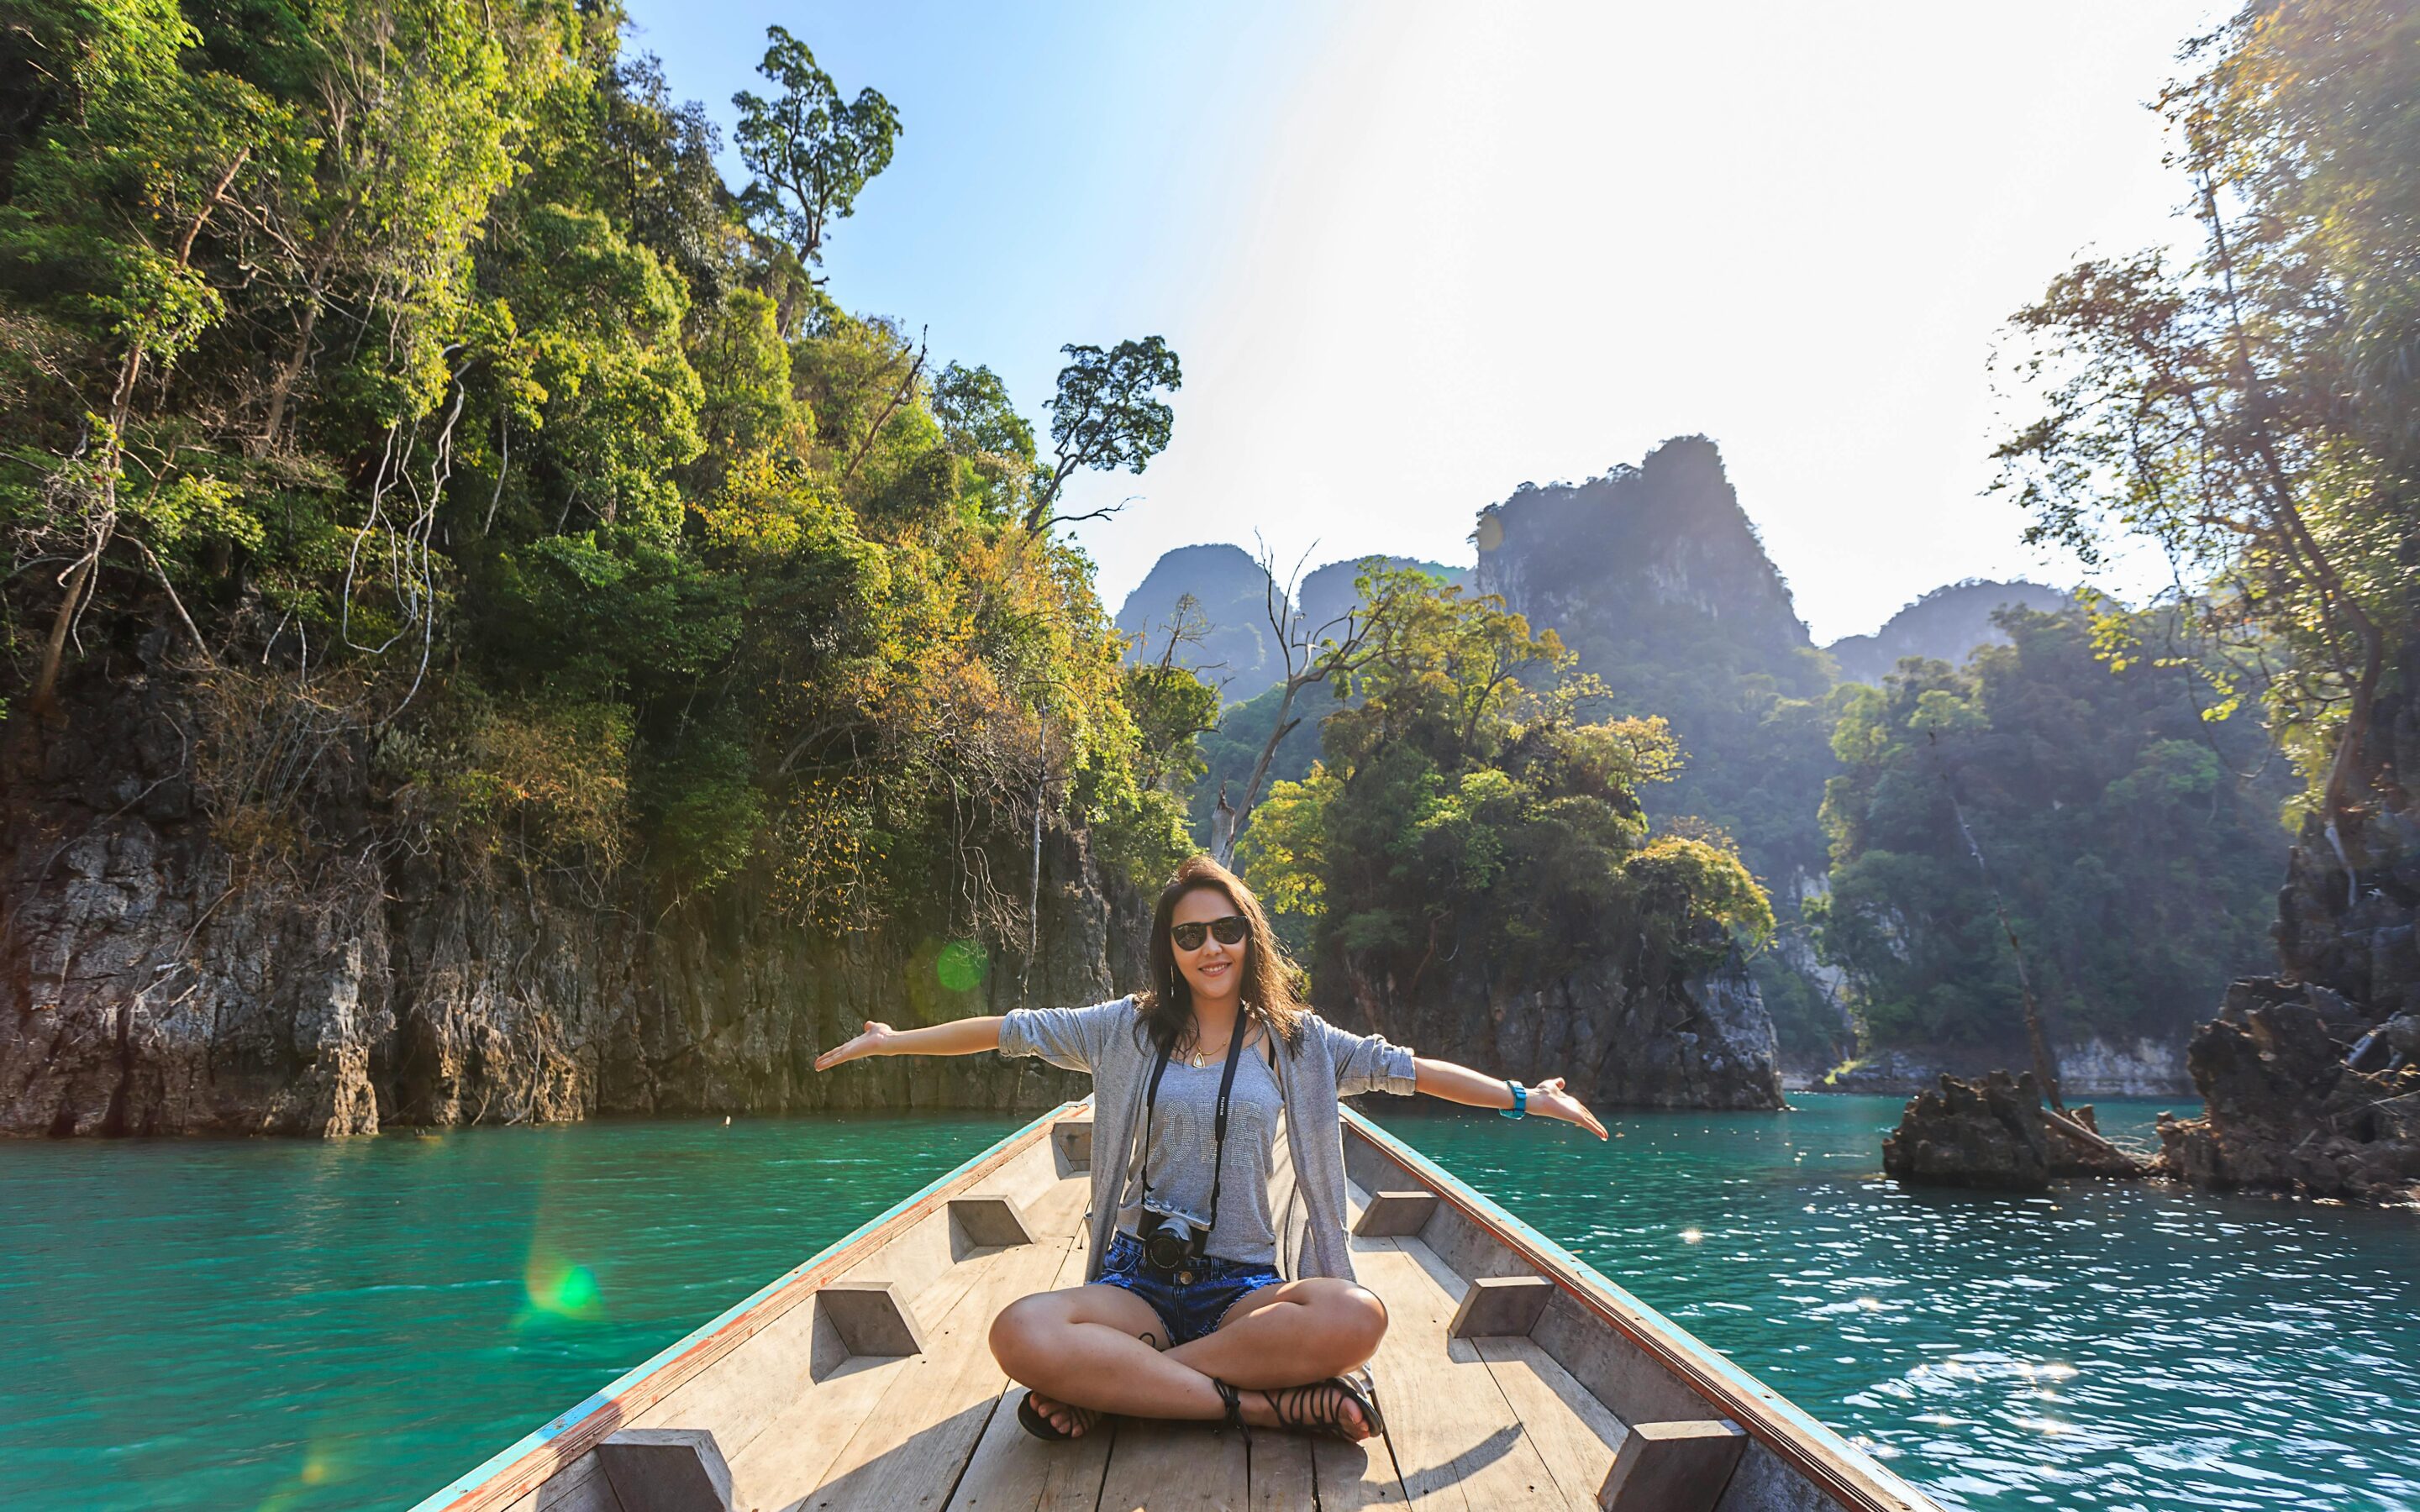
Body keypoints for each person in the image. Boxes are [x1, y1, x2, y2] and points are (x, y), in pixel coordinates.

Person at [813, 854, 1607, 1443]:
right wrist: (891, 1042)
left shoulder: (1302, 1045)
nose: (1210, 947)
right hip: (1140, 1283)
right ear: (1171, 946)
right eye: (1189, 934)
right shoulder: (1124, 1027)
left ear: (1248, 936)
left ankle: (1120, 1389)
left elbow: (1411, 1071)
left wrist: (1523, 1099)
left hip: (1243, 1289)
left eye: (1226, 929)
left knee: (1354, 1315)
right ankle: (1257, 1405)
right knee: (1018, 1332)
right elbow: (1005, 1031)